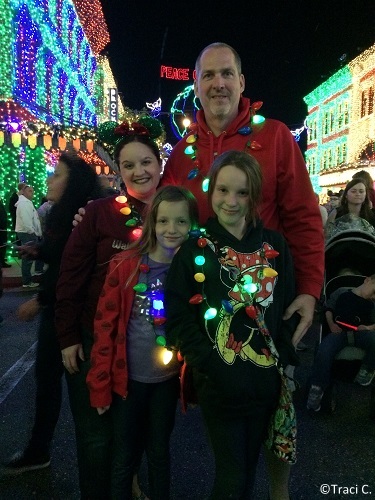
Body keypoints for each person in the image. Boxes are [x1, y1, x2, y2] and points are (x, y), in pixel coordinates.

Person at [162, 42, 324, 350]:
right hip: (202, 303)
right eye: (208, 75)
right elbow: (157, 214)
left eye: (227, 73)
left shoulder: (276, 136)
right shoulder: (182, 153)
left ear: (241, 82)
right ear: (196, 85)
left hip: (265, 301)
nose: (218, 83)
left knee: (265, 389)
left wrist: (309, 289)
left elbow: (303, 219)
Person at [165, 150, 299, 499]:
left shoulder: (276, 245)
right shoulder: (195, 247)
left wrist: (281, 359)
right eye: (223, 190)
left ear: (254, 195)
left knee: (248, 473)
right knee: (231, 477)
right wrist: (207, 364)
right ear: (211, 192)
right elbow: (178, 314)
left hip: (262, 384)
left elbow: (286, 307)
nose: (231, 201)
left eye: (241, 192)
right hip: (218, 384)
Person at [55, 118, 164, 499]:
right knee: (95, 441)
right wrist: (67, 337)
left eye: (146, 162)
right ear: (118, 171)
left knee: (129, 438)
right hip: (93, 340)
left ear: (159, 164)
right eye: (129, 164)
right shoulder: (99, 213)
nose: (139, 171)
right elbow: (70, 276)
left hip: (142, 347)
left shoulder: (173, 215)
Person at [86, 185, 199, 499]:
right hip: (128, 382)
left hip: (166, 380)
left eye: (181, 222)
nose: (171, 229)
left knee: (160, 450)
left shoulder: (193, 270)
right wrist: (99, 384)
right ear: (152, 223)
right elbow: (104, 328)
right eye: (163, 221)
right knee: (124, 454)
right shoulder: (126, 264)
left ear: (192, 225)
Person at [2, 153, 104, 475]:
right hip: (58, 312)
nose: (48, 180)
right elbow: (58, 253)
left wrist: (40, 301)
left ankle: (102, 466)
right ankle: (40, 449)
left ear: (73, 182)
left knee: (78, 390)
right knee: (47, 381)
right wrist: (38, 250)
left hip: (71, 316)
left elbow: (70, 268)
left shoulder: (84, 214)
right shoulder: (62, 212)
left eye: (56, 174)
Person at [307, 274, 375, 412]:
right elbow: (329, 309)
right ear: (367, 280)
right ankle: (317, 387)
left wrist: (367, 328)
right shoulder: (342, 291)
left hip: (362, 333)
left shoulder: (373, 303)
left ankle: (367, 369)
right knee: (324, 350)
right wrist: (331, 325)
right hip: (339, 332)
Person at [15, 185, 42, 288]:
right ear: (24, 192)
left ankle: (28, 279)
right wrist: (33, 232)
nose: (32, 193)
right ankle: (27, 281)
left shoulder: (26, 203)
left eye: (33, 191)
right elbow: (27, 221)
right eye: (30, 191)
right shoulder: (24, 204)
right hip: (27, 233)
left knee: (28, 256)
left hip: (28, 232)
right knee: (28, 257)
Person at [0, 197, 11, 268]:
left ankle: (1, 260)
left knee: (3, 244)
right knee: (2, 245)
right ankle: (1, 262)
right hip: (1, 228)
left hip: (3, 228)